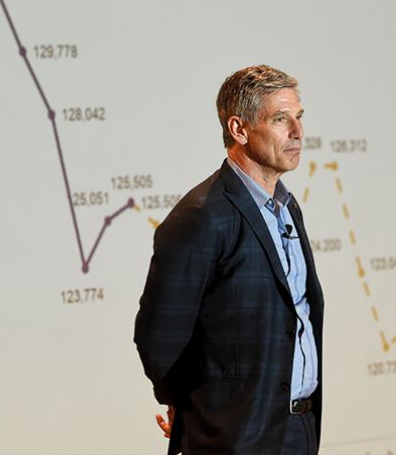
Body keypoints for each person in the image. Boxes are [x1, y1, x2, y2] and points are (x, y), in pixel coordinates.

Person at [134, 65, 325, 455]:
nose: (298, 133)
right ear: (239, 130)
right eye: (280, 119)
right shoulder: (203, 215)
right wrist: (193, 412)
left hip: (298, 431)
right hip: (234, 440)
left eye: (299, 118)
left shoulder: (288, 209)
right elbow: (159, 337)